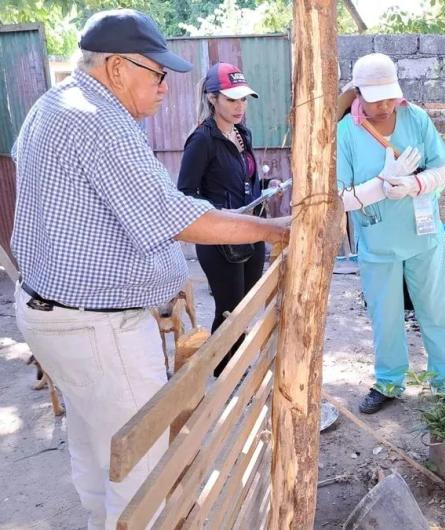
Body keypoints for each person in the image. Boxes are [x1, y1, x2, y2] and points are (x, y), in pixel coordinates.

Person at [10, 10, 290, 529]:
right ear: (118, 68)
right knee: (146, 474)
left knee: (99, 449)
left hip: (55, 314)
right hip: (99, 323)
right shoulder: (99, 121)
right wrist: (277, 230)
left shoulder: (52, 106)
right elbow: (174, 214)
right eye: (157, 74)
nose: (165, 87)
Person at [336, 53, 445, 414]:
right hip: (378, 243)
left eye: (391, 95)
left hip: (423, 238)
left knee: (436, 309)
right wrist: (380, 187)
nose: (387, 104)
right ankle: (389, 381)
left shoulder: (415, 117)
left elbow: (443, 169)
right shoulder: (346, 132)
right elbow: (340, 198)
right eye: (377, 98)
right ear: (358, 93)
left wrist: (415, 183)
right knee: (384, 316)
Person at [177, 63, 265, 377]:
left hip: (250, 231)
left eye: (243, 99)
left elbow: (245, 179)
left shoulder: (242, 133)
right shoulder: (202, 140)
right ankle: (224, 371)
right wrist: (218, 213)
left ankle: (235, 362)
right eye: (231, 99)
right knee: (229, 309)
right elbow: (184, 194)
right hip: (219, 240)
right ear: (212, 98)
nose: (239, 106)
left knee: (247, 304)